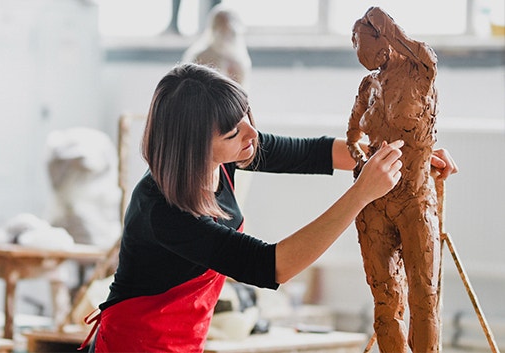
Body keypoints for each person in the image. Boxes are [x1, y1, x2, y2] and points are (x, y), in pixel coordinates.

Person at [83, 63, 457, 353]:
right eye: (233, 133)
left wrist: (409, 158)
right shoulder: (163, 212)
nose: (251, 134)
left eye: (247, 114)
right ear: (194, 146)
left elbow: (315, 152)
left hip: (184, 338)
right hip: (136, 341)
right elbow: (271, 265)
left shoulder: (225, 157)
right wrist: (362, 193)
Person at [346, 7, 458, 353]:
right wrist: (361, 161)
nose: (361, 55)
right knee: (385, 301)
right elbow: (352, 136)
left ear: (383, 38)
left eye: (363, 44)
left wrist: (377, 17)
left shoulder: (421, 67)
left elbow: (404, 39)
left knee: (423, 297)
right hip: (375, 203)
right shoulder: (369, 85)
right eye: (356, 48)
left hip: (414, 198)